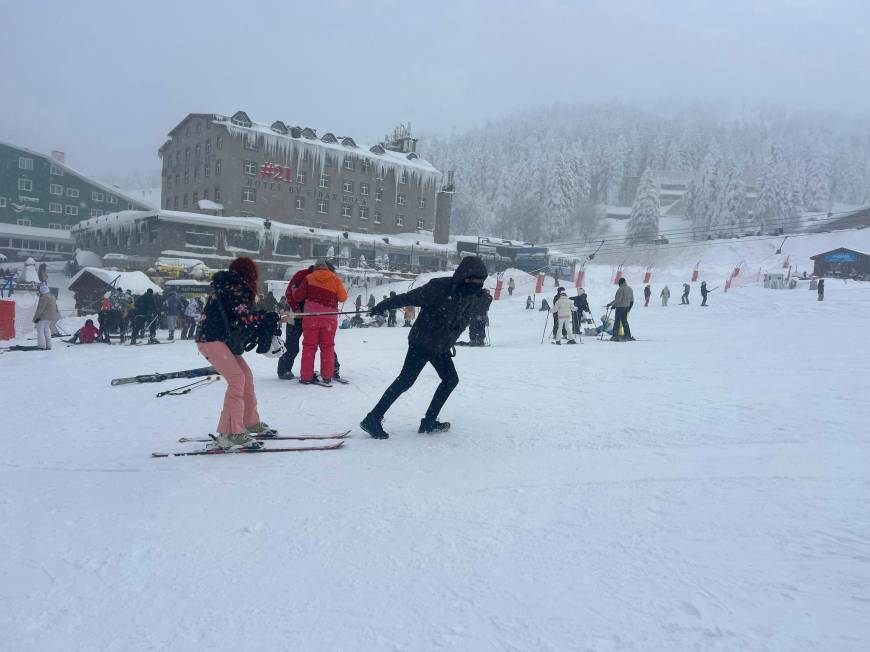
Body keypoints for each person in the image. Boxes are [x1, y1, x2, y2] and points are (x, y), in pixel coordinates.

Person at [360, 256, 491, 439]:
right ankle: (373, 418)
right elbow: (409, 297)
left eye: (480, 281)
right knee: (405, 381)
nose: (476, 284)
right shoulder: (440, 287)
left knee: (450, 380)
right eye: (473, 280)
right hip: (422, 341)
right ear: (463, 276)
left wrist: (485, 300)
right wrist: (383, 305)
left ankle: (429, 421)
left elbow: (478, 312)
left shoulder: (472, 296)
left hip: (441, 346)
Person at [195, 256, 278, 450]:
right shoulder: (234, 287)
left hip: (219, 339)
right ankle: (230, 433)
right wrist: (267, 316)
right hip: (211, 339)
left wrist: (265, 316)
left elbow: (240, 315)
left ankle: (249, 422)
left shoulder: (228, 285)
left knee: (246, 377)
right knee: (237, 379)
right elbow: (245, 316)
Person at [292, 259, 348, 385]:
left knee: (309, 347)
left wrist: (295, 289)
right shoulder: (335, 279)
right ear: (327, 269)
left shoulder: (309, 278)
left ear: (316, 268)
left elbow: (298, 297)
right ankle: (327, 376)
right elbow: (343, 297)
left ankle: (306, 377)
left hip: (311, 317)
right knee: (327, 347)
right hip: (329, 318)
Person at [607, 277, 634, 341]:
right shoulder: (630, 289)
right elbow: (632, 300)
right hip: (627, 307)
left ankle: (615, 335)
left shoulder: (620, 289)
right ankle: (628, 335)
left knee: (617, 322)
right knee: (624, 321)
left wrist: (613, 305)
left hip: (620, 307)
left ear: (620, 283)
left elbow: (618, 300)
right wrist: (629, 308)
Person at [33, 285, 59, 350]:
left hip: (43, 317)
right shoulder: (52, 296)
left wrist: (35, 317)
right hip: (51, 317)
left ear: (42, 291)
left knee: (40, 330)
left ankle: (42, 345)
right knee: (47, 329)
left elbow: (40, 308)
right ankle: (48, 345)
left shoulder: (44, 297)